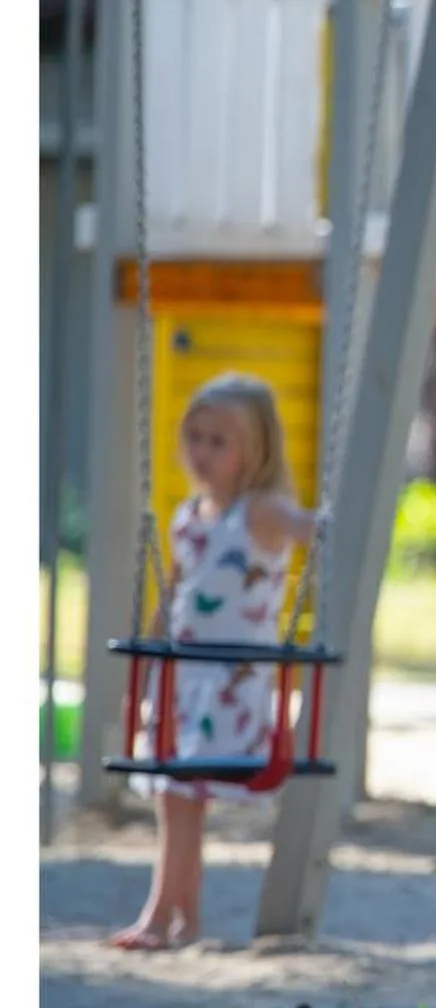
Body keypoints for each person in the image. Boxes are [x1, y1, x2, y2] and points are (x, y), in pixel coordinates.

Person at [108, 373, 318, 951]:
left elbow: (315, 531)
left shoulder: (261, 513)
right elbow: (175, 593)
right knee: (172, 797)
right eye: (194, 437)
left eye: (218, 442)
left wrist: (337, 515)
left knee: (182, 796)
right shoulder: (186, 517)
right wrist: (147, 664)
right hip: (182, 674)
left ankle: (163, 916)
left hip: (232, 678)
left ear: (256, 450)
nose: (201, 452)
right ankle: (180, 918)